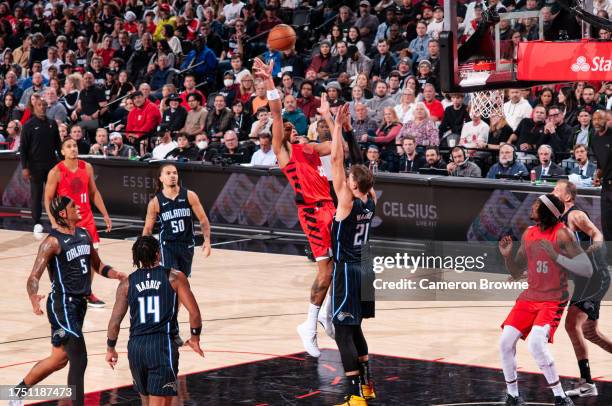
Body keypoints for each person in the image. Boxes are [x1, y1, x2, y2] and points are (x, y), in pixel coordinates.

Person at [253, 57, 335, 357]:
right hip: (312, 212)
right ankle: (309, 325)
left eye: (290, 126)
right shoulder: (285, 153)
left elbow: (339, 145)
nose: (287, 127)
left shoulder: (310, 148)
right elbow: (276, 114)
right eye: (283, 128)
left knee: (337, 270)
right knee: (325, 272)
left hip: (330, 208)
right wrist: (270, 81)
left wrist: (329, 118)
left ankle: (325, 315)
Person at [10, 196, 125, 406]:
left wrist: (114, 273)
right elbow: (34, 277)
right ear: (63, 213)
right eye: (73, 206)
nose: (78, 208)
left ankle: (16, 393)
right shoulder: (52, 242)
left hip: (79, 305)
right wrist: (33, 296)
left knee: (59, 359)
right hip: (62, 305)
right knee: (79, 359)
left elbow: (97, 265)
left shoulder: (84, 234)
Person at [498, 194, 593, 405]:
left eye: (536, 205)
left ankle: (560, 396)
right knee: (505, 343)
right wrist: (507, 256)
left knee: (536, 344)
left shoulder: (563, 234)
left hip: (552, 300)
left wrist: (556, 256)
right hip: (530, 297)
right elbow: (516, 272)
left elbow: (586, 269)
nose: (532, 208)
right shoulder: (529, 233)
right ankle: (513, 395)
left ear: (547, 212)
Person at [105, 236, 204, 405]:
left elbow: (114, 323)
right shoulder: (174, 277)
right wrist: (195, 338)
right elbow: (194, 313)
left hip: (136, 348)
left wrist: (110, 348)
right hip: (161, 346)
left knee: (147, 402)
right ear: (158, 254)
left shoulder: (127, 284)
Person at [329, 104, 376, 406]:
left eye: (348, 180)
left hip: (347, 269)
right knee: (355, 327)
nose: (344, 180)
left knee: (343, 333)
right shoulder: (371, 198)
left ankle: (354, 397)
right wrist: (347, 130)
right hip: (365, 271)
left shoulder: (348, 203)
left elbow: (337, 159)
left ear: (353, 186)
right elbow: (358, 163)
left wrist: (335, 126)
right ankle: (368, 386)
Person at [551, 180, 611, 397]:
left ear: (567, 197)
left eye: (556, 190)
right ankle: (586, 382)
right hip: (584, 280)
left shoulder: (575, 215)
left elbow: (596, 233)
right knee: (591, 333)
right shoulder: (556, 221)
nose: (552, 193)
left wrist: (596, 244)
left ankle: (586, 383)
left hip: (595, 277)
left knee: (571, 323)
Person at [44, 137, 113, 307]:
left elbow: (94, 192)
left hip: (87, 219)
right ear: (62, 151)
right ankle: (64, 289)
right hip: (67, 222)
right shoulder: (56, 171)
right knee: (66, 260)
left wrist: (105, 214)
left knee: (91, 259)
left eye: (75, 145)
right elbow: (48, 198)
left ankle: (87, 292)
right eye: (69, 146)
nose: (73, 149)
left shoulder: (86, 167)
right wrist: (54, 221)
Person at [143, 163, 211, 279]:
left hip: (187, 244)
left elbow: (203, 219)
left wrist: (207, 240)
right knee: (172, 278)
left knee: (183, 280)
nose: (172, 176)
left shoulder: (189, 195)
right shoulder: (155, 202)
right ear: (161, 178)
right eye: (168, 173)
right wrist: (144, 248)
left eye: (175, 173)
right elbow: (148, 229)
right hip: (167, 245)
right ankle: (169, 297)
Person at [19, 95, 61, 234]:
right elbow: (23, 148)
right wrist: (25, 167)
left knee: (54, 194)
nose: (42, 108)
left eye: (44, 105)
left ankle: (56, 220)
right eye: (39, 105)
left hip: (51, 166)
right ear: (34, 107)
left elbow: (58, 145)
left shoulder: (52, 123)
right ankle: (36, 222)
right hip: (35, 167)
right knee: (36, 195)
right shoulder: (28, 125)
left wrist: (62, 163)